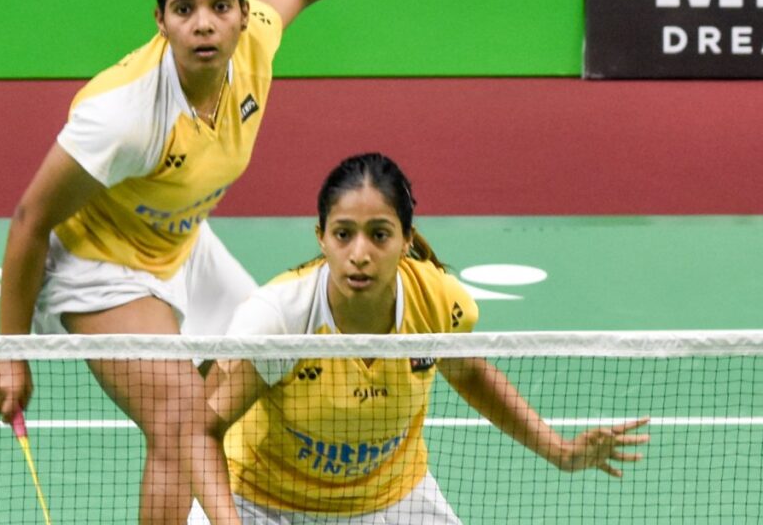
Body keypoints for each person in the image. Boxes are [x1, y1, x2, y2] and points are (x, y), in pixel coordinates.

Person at [0, 0, 441, 523]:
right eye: (185, 9)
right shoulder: (122, 115)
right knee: (179, 420)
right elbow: (30, 219)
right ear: (161, 19)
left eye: (220, 6)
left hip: (182, 243)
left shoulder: (253, 45)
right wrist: (9, 352)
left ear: (242, 12)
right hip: (102, 265)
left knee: (266, 364)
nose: (204, 23)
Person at [204, 153, 650, 524]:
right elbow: (203, 429)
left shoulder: (437, 303)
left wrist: (560, 451)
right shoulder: (281, 319)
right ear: (322, 239)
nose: (359, 254)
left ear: (406, 240)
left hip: (390, 499)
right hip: (265, 503)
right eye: (343, 234)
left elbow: (468, 372)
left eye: (379, 235)